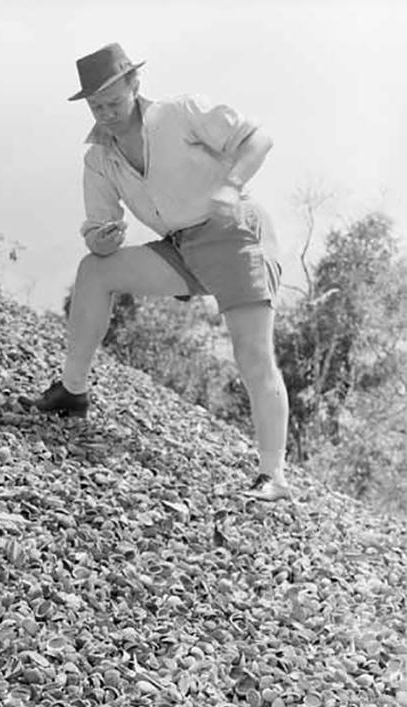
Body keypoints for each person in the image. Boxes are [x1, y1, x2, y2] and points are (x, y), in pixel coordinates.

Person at [24, 44, 290, 502]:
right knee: (95, 271)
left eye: (113, 101)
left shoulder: (180, 113)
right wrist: (101, 240)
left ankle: (273, 477)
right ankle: (72, 391)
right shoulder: (98, 159)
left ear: (135, 84)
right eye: (96, 105)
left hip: (235, 234)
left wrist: (229, 185)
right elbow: (96, 227)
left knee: (252, 355)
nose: (105, 113)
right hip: (182, 247)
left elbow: (258, 138)